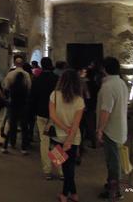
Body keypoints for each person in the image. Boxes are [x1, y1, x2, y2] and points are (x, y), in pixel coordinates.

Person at [49, 69, 85, 202]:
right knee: (69, 167)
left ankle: (65, 195)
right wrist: (69, 139)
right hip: (74, 138)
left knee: (64, 166)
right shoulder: (79, 100)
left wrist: (63, 129)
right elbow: (76, 124)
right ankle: (73, 194)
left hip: (57, 136)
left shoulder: (54, 95)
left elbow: (52, 115)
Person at [96, 57, 128, 200]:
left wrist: (100, 129)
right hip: (120, 128)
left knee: (113, 162)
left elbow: (106, 110)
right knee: (114, 160)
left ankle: (114, 191)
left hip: (111, 130)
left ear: (104, 69)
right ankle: (111, 185)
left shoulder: (108, 86)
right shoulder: (121, 83)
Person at [30, 57, 61, 180]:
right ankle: (61, 170)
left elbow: (32, 98)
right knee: (56, 142)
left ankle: (47, 170)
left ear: (41, 66)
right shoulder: (56, 79)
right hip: (55, 114)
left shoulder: (37, 80)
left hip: (41, 114)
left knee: (44, 142)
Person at [2, 72, 30, 154]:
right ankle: (23, 148)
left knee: (11, 127)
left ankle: (5, 146)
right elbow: (27, 98)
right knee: (24, 128)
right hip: (22, 108)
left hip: (13, 108)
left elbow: (8, 96)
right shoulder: (25, 87)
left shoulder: (12, 86)